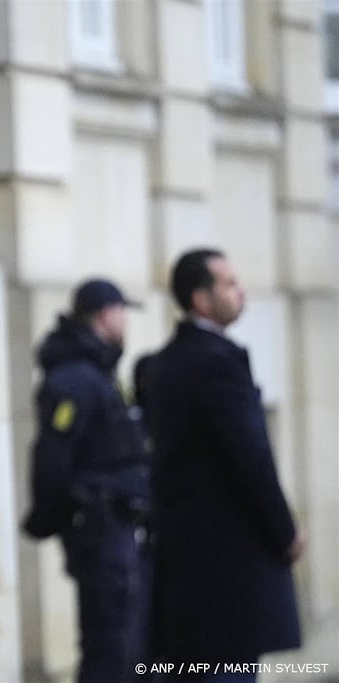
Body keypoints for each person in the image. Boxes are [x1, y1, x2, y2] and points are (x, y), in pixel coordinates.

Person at [144, 249, 303, 682]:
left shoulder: (164, 362)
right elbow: (250, 457)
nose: (241, 291)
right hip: (225, 562)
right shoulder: (217, 362)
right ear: (201, 299)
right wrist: (284, 531)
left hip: (182, 558)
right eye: (229, 284)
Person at [22, 279, 152, 683]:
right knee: (109, 647)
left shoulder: (98, 371)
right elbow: (54, 455)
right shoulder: (77, 379)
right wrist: (48, 516)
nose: (126, 321)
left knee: (123, 642)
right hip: (100, 528)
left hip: (114, 526)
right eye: (122, 311)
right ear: (105, 315)